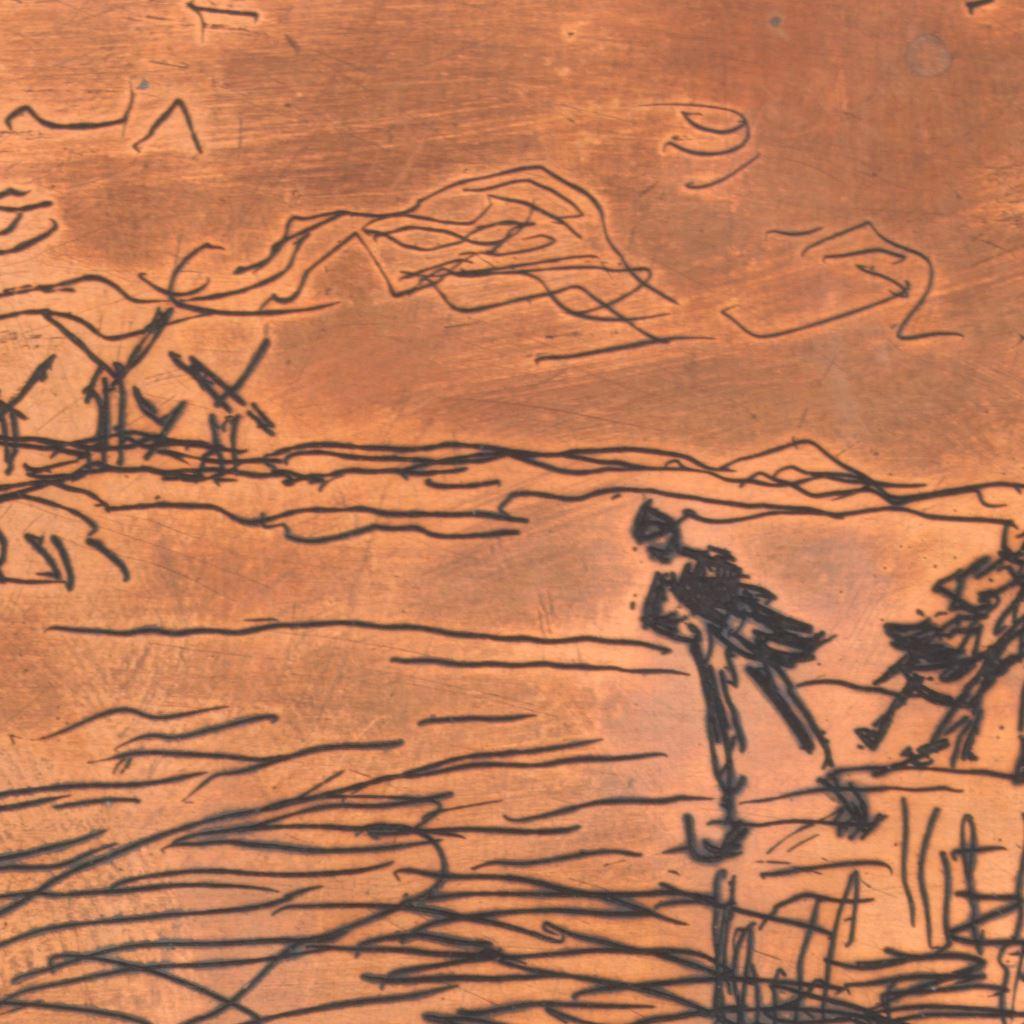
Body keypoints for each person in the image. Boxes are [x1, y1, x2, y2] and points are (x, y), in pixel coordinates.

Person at [632, 500, 837, 861]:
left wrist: (713, 624)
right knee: (729, 733)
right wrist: (688, 629)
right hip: (718, 662)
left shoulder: (706, 563)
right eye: (651, 541)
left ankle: (835, 794)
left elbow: (746, 603)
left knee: (785, 721)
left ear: (671, 534)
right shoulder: (670, 576)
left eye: (659, 537)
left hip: (745, 657)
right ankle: (735, 816)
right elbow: (654, 618)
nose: (657, 546)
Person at [855, 525, 1024, 777]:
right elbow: (964, 592)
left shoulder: (1007, 587)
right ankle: (899, 739)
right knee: (943, 692)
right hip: (968, 652)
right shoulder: (999, 576)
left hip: (975, 656)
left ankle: (922, 745)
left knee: (960, 698)